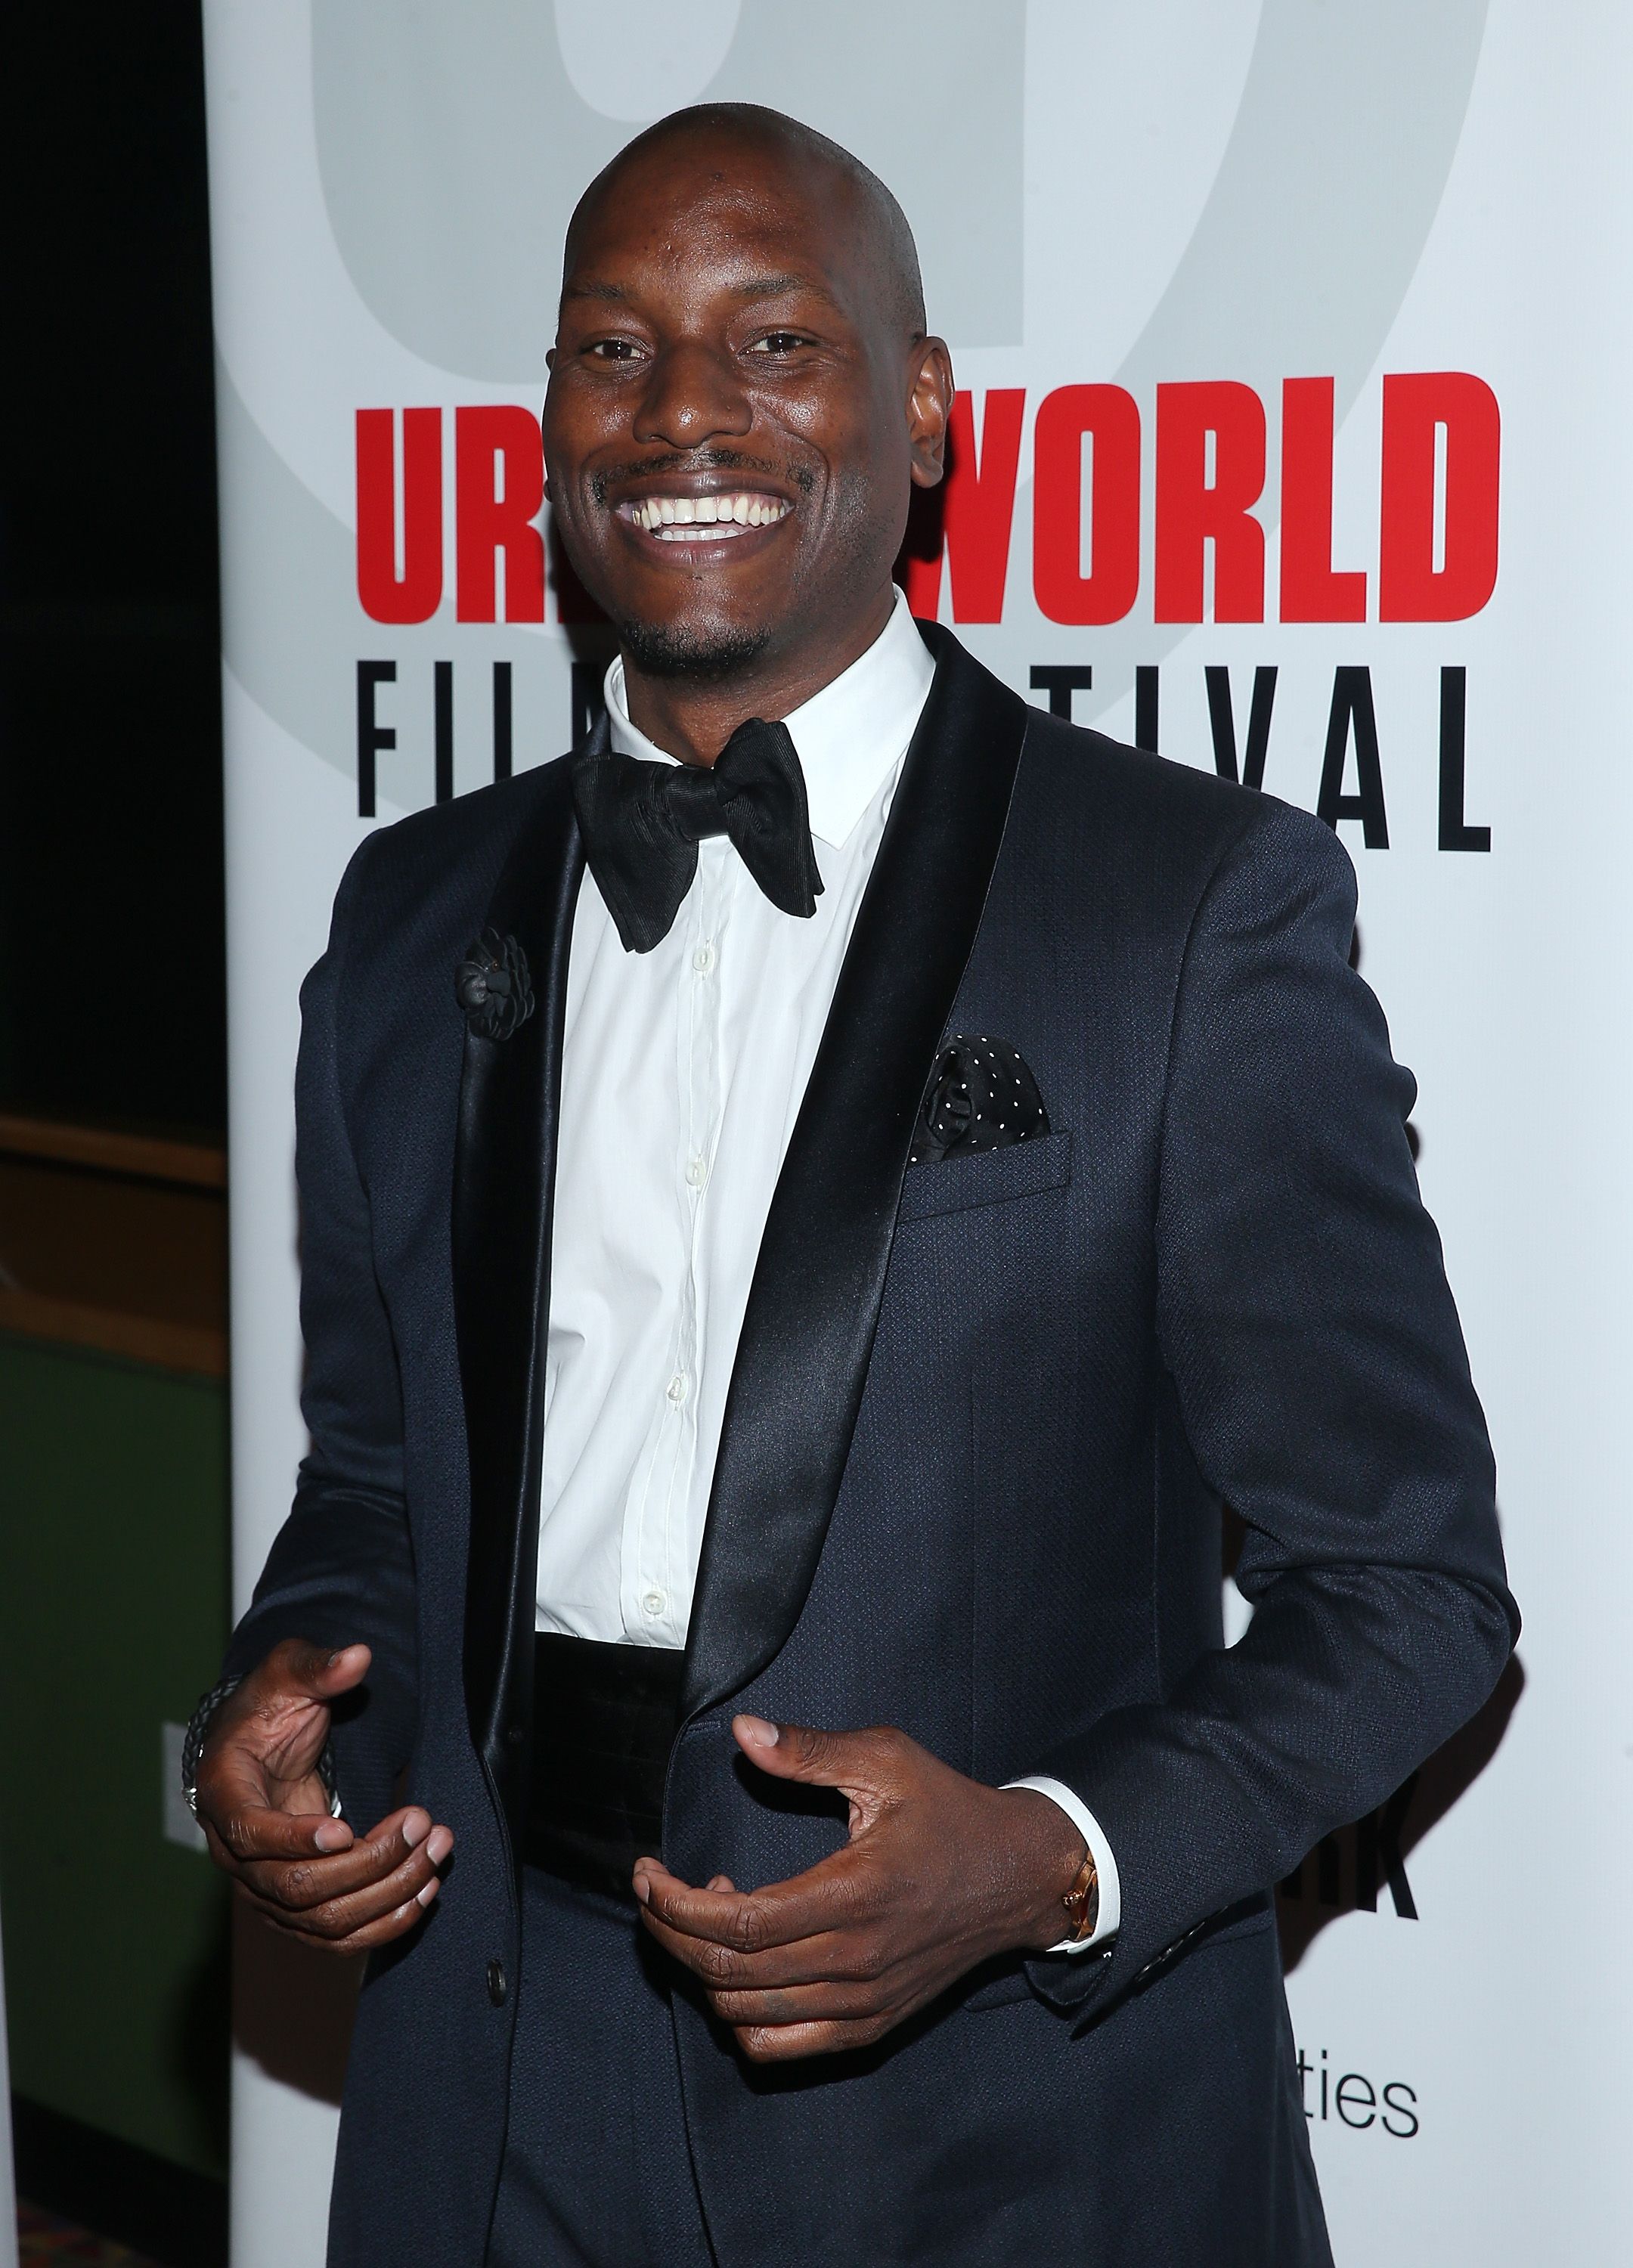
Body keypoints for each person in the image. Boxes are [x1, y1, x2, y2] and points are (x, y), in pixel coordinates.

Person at [190, 103, 1516, 2267]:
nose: (683, 410)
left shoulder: (1183, 911)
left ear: (919, 411)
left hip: (995, 2130)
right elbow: (377, 1486)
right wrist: (290, 1692)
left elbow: (1414, 1593)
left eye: (774, 340)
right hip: (487, 2070)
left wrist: (1052, 1856)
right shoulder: (412, 921)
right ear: (548, 420)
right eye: (611, 350)